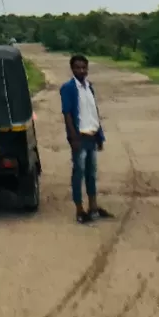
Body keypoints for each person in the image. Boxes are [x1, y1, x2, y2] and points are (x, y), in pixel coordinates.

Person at [59, 54, 114, 225]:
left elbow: (93, 113)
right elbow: (67, 113)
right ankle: (79, 210)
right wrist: (73, 137)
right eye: (78, 67)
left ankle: (94, 207)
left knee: (91, 173)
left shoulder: (89, 87)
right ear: (72, 69)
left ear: (87, 69)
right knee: (79, 173)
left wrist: (100, 136)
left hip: (92, 135)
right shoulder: (68, 88)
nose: (81, 70)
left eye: (84, 67)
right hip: (80, 137)